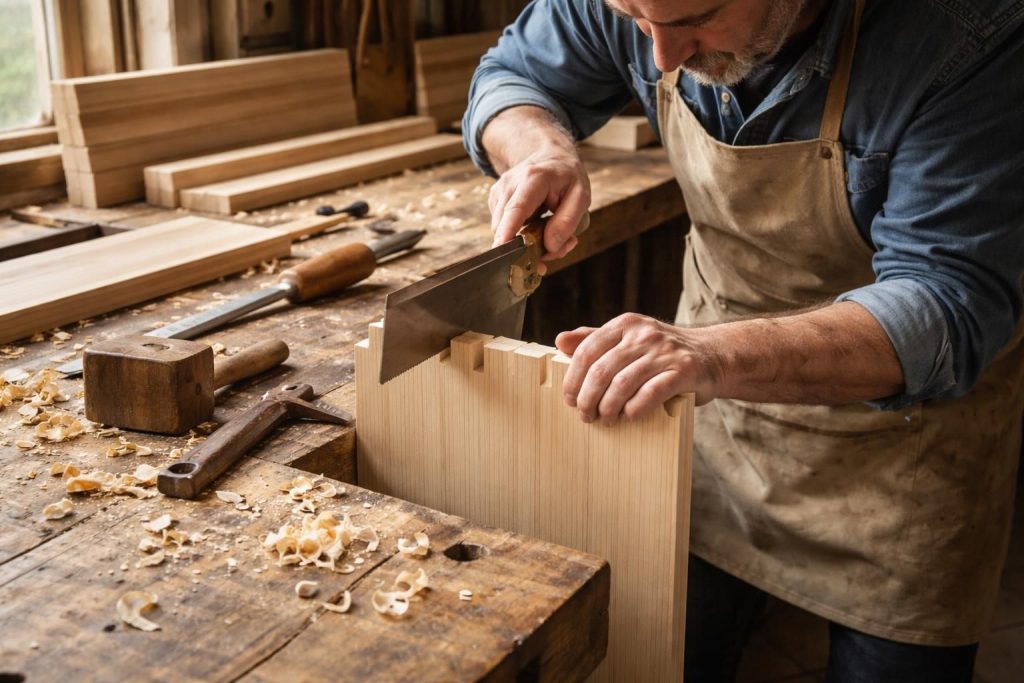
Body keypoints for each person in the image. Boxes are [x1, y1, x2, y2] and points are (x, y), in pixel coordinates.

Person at [462, 0, 1024, 680]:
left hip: (909, 458)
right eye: (634, 20)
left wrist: (712, 353)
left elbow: (946, 302)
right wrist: (540, 149)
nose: (662, 56)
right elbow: (512, 75)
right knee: (666, 656)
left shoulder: (969, 34)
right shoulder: (649, 4)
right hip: (709, 425)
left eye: (694, 19)